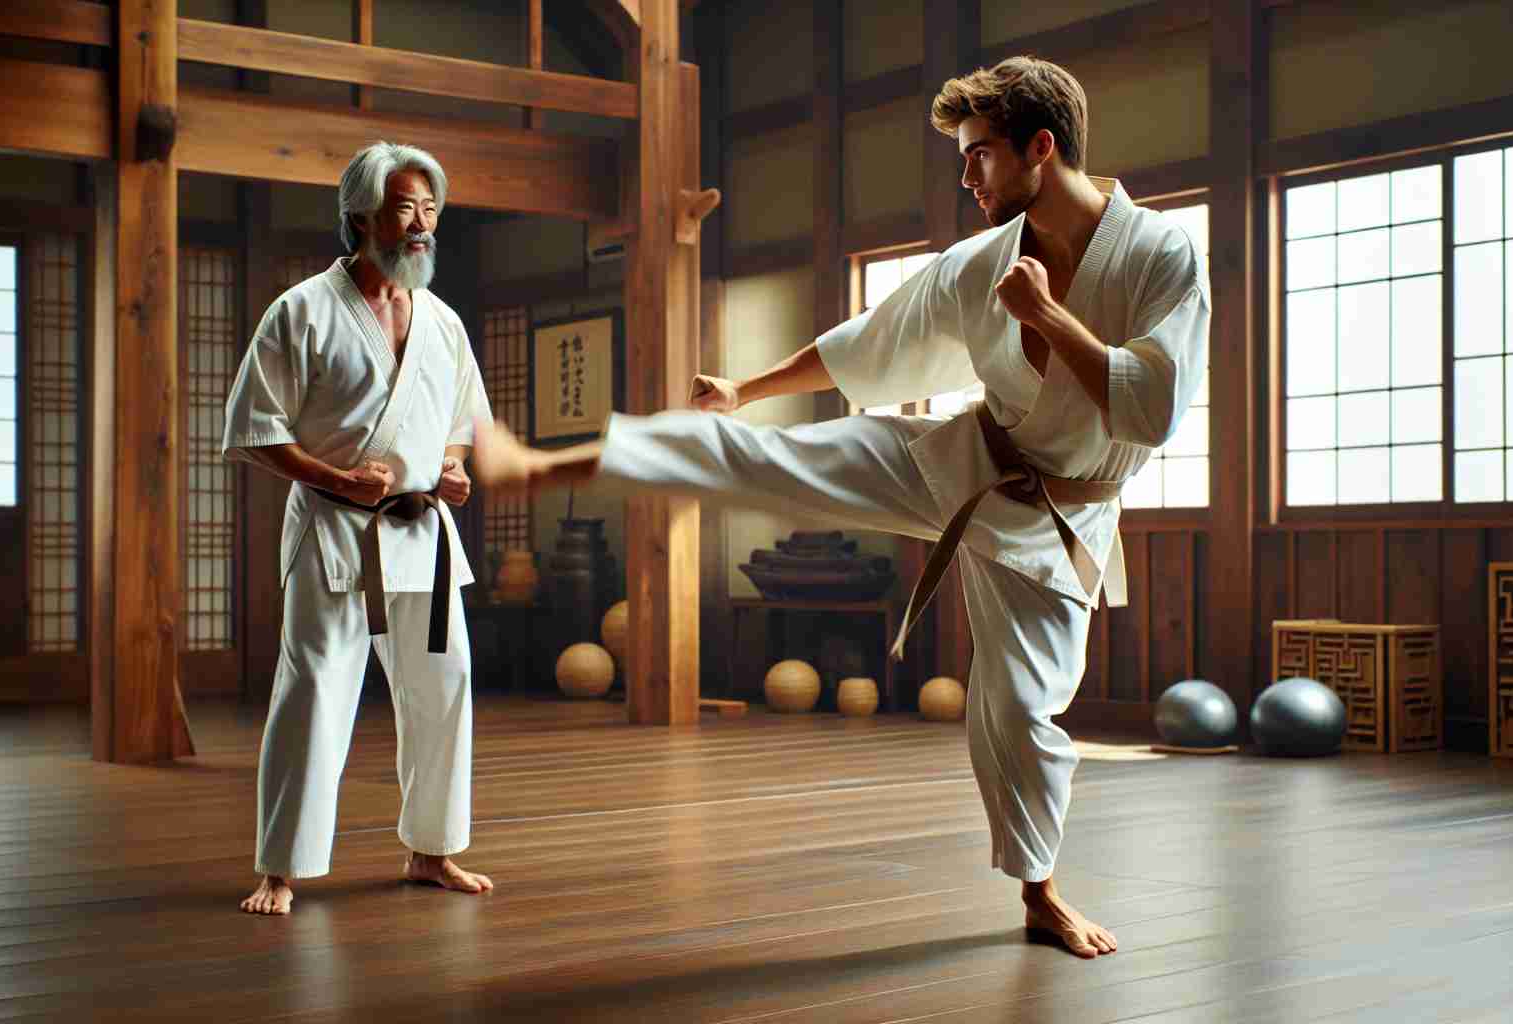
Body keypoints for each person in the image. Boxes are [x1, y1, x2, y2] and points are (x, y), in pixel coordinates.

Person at [473, 57, 1208, 957]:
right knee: (769, 459)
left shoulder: (1162, 255)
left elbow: (1154, 406)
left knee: (1017, 709)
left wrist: (1051, 318)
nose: (967, 176)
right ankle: (547, 466)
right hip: (970, 459)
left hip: (1064, 513)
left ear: (1039, 149)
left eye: (978, 155)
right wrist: (747, 388)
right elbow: (871, 345)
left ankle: (1041, 895)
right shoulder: (981, 262)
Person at [223, 142, 496, 915]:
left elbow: (455, 423)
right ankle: (280, 866)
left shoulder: (441, 321)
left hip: (423, 536)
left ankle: (431, 851)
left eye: (431, 210)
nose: (422, 225)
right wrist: (339, 479)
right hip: (336, 533)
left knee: (444, 687)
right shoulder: (302, 310)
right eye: (406, 208)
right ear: (360, 216)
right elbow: (255, 427)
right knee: (314, 689)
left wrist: (450, 468)